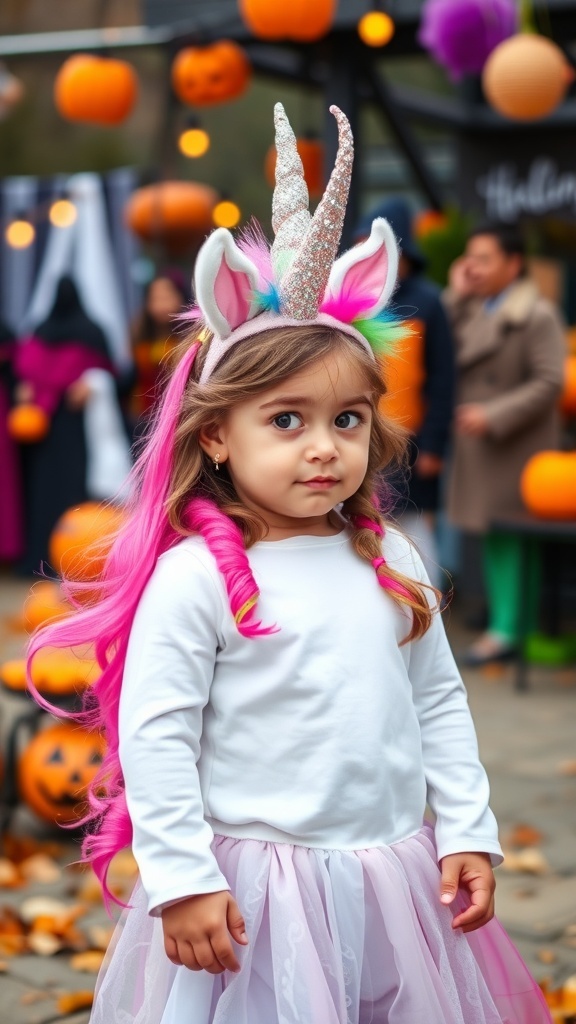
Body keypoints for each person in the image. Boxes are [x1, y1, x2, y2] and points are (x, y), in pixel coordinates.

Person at [30, 106, 552, 1024]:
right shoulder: (197, 579)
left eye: (346, 421)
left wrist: (466, 830)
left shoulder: (389, 555)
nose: (324, 448)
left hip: (392, 873)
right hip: (253, 890)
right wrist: (183, 878)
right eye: (287, 420)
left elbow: (436, 698)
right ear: (218, 435)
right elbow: (157, 737)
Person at [444, 225, 566, 666]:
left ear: (513, 264)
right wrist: (455, 294)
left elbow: (550, 381)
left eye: (484, 258)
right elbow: (437, 343)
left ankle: (508, 630)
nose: (473, 266)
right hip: (481, 442)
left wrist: (493, 414)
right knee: (493, 535)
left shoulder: (538, 315)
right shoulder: (474, 306)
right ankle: (506, 620)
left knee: (512, 535)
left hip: (516, 444)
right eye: (469, 257)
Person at [355, 198, 455, 591]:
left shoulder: (429, 302)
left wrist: (433, 445)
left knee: (413, 524)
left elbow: (443, 380)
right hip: (363, 436)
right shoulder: (359, 300)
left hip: (411, 441)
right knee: (368, 517)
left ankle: (424, 597)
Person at [13, 275, 131, 575]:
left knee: (57, 492)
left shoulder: (43, 330)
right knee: (65, 492)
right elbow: (114, 375)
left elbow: (111, 379)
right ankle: (63, 558)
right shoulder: (91, 331)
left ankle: (65, 559)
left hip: (57, 428)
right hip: (66, 429)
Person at [130, 268, 189, 433]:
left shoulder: (190, 337)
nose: (161, 305)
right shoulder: (139, 336)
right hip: (145, 419)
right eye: (155, 299)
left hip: (180, 417)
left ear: (180, 297)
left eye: (166, 297)